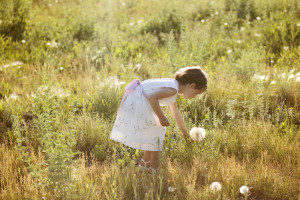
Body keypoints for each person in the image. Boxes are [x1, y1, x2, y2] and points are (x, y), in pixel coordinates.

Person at [110, 66, 207, 173]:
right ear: (192, 85)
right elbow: (152, 97)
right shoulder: (172, 90)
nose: (194, 96)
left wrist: (185, 134)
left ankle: (145, 163)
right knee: (156, 132)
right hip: (139, 101)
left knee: (151, 135)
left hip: (137, 100)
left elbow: (176, 114)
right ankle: (154, 166)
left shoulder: (173, 89)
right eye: (196, 93)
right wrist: (161, 117)